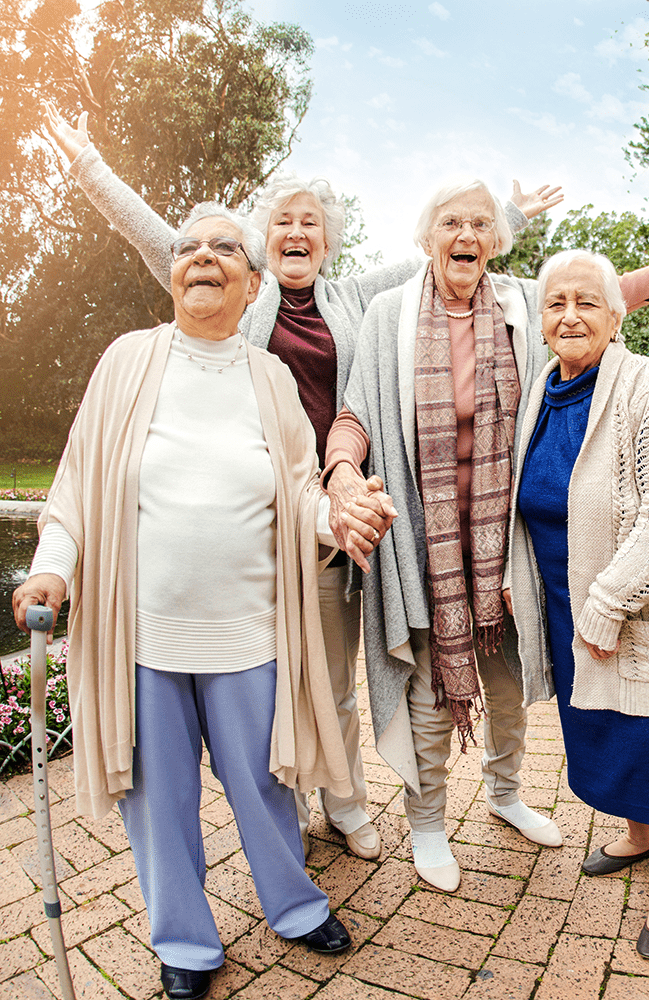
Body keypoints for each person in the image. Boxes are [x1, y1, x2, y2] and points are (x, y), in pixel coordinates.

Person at [41, 102, 560, 861]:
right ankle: (284, 812)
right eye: (283, 220)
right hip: (253, 525)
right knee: (265, 685)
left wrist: (503, 211)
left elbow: (444, 250)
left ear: (328, 240)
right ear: (259, 245)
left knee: (334, 679)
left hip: (339, 523)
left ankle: (345, 803)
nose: (296, 232)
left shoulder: (355, 300)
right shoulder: (233, 290)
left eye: (311, 221)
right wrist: (89, 166)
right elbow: (157, 235)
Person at [325, 181, 649, 892]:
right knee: (428, 692)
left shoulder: (518, 306)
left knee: (507, 686)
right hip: (427, 543)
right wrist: (343, 470)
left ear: (495, 240)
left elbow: (600, 296)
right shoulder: (388, 316)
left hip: (508, 547)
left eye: (479, 222)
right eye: (451, 222)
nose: (465, 233)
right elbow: (356, 411)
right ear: (426, 237)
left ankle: (506, 795)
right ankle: (430, 824)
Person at [12, 204, 360, 1000]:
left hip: (250, 631)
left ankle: (295, 907)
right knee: (155, 796)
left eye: (223, 248)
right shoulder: (128, 361)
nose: (202, 256)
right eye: (187, 247)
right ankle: (185, 942)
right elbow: (76, 485)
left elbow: (300, 493)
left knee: (266, 783)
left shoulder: (269, 377)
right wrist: (54, 569)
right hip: (142, 636)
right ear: (173, 272)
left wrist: (336, 516)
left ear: (253, 281)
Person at [505, 245, 649, 960]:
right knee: (599, 732)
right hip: (564, 603)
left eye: (587, 301)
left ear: (617, 316)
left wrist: (610, 601)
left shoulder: (648, 386)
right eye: (556, 302)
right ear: (540, 320)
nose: (570, 314)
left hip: (634, 607)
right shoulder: (538, 389)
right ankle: (638, 836)